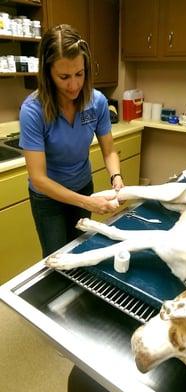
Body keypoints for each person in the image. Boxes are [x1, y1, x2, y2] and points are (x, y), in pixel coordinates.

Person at [19, 24, 124, 259]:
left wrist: (116, 176)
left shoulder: (96, 102)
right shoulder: (33, 110)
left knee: (80, 251)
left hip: (83, 187)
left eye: (80, 74)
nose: (74, 85)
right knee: (57, 257)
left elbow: (109, 151)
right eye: (64, 77)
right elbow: (39, 178)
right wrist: (88, 203)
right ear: (48, 74)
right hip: (48, 199)